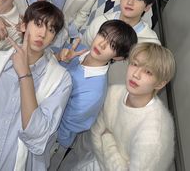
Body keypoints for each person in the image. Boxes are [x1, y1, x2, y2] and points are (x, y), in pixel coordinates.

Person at [0, 1, 72, 171]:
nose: (43, 33)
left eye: (51, 29)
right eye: (38, 24)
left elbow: (37, 135)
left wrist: (25, 75)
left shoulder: (60, 80)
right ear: (24, 25)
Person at [59, 42, 175, 171]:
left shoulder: (154, 132)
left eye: (148, 72)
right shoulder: (113, 93)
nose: (136, 74)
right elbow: (91, 135)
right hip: (77, 161)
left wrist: (108, 140)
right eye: (134, 64)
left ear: (160, 83)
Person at [50, 20, 137, 170]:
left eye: (112, 45)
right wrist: (59, 57)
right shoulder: (80, 50)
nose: (102, 44)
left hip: (51, 139)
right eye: (103, 35)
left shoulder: (94, 91)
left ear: (118, 57)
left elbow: (65, 128)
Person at [81, 0, 160, 48]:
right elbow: (82, 51)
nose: (130, 2)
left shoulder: (150, 43)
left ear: (147, 7)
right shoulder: (101, 22)